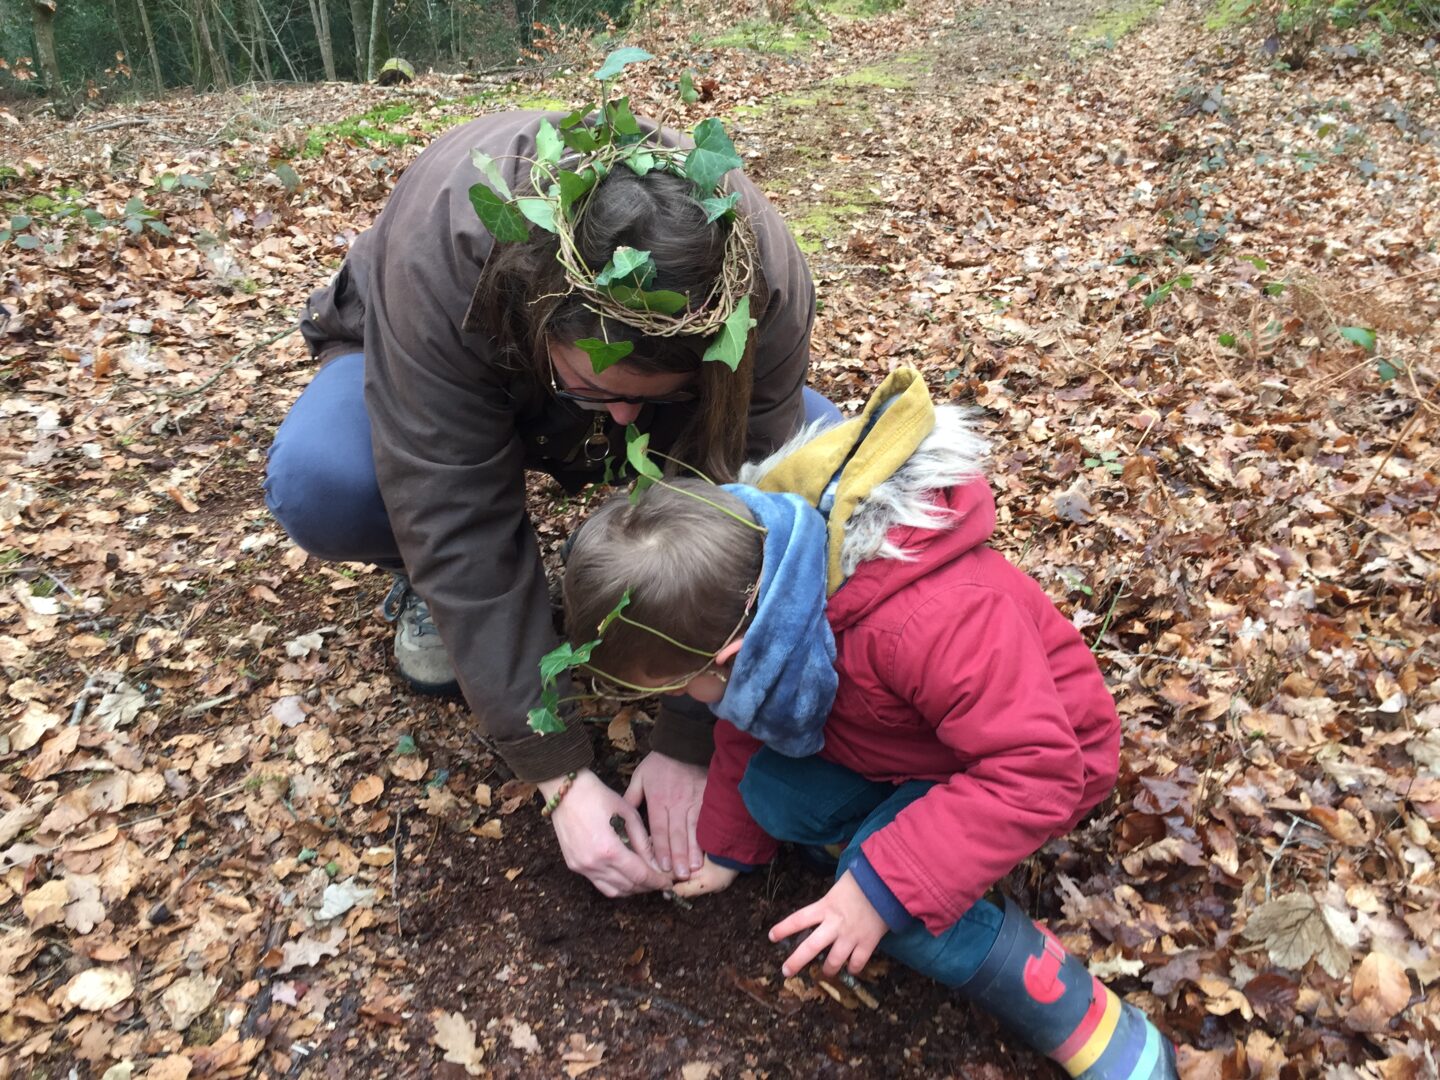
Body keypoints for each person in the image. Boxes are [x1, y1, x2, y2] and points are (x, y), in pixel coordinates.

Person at [263, 103, 842, 899]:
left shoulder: (762, 280)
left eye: (653, 397)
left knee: (823, 457)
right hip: (438, 344)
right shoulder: (445, 257)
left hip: (655, 374)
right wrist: (560, 775)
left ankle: (626, 555)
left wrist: (691, 733)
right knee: (326, 480)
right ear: (540, 313)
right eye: (600, 389)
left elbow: (745, 495)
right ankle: (431, 592)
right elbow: (453, 510)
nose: (628, 420)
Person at [560, 369, 1179, 1078]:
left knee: (897, 905)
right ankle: (889, 844)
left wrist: (878, 887)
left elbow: (1037, 766)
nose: (686, 698)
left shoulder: (928, 620)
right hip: (905, 745)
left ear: (729, 656)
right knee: (770, 795)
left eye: (674, 684)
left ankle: (1073, 1009)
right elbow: (739, 719)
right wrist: (725, 847)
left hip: (1035, 763)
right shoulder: (755, 590)